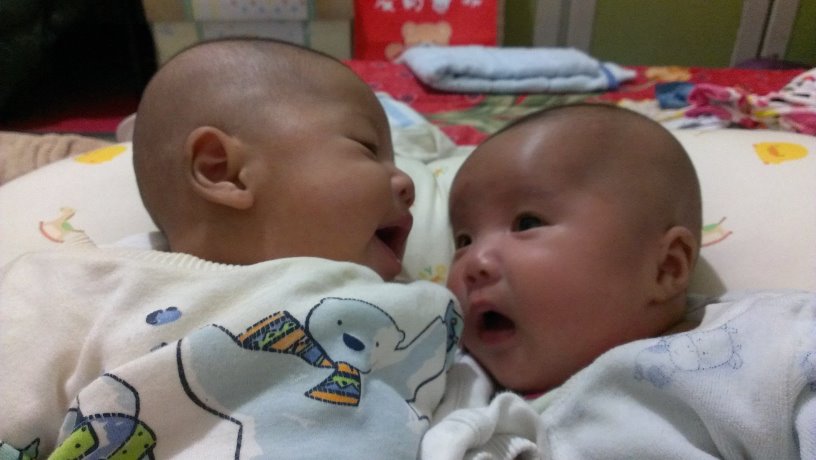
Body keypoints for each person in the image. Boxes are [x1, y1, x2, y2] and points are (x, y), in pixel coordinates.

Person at [0, 38, 461, 459]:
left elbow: (462, 414)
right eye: (366, 148)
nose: (406, 183)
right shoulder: (81, 285)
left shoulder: (422, 306)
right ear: (224, 170)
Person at [421, 103, 816, 459]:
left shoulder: (763, 345)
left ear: (666, 268)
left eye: (526, 223)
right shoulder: (449, 379)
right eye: (463, 240)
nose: (475, 262)